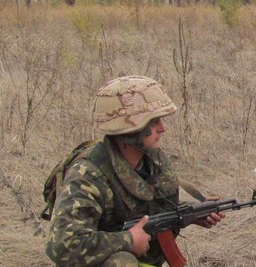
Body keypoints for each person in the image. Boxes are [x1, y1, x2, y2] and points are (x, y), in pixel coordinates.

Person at [46, 75, 224, 266]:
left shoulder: (151, 160)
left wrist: (191, 213)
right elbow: (62, 246)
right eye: (154, 122)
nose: (162, 129)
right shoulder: (88, 175)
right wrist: (128, 240)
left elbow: (146, 207)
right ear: (130, 129)